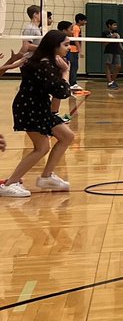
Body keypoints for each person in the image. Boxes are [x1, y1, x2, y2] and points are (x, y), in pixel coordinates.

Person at [0, 30, 75, 197]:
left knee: (67, 136)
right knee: (41, 148)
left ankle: (46, 177)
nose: (69, 47)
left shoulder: (47, 61)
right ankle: (10, 184)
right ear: (54, 46)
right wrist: (65, 72)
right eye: (66, 44)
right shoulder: (45, 65)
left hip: (39, 107)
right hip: (29, 108)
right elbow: (62, 92)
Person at [102, 19, 123, 89]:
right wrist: (111, 38)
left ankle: (112, 81)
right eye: (114, 25)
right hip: (109, 51)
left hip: (116, 51)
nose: (116, 26)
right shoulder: (105, 33)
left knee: (118, 66)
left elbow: (119, 42)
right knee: (108, 66)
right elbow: (104, 43)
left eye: (116, 25)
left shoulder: (117, 33)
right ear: (109, 25)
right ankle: (109, 82)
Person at [67, 13, 87, 91]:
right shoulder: (76, 28)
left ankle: (72, 83)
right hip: (73, 50)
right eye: (84, 20)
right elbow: (75, 39)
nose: (86, 22)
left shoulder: (76, 27)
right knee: (74, 66)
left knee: (74, 66)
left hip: (73, 50)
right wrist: (80, 50)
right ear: (79, 20)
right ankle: (73, 83)